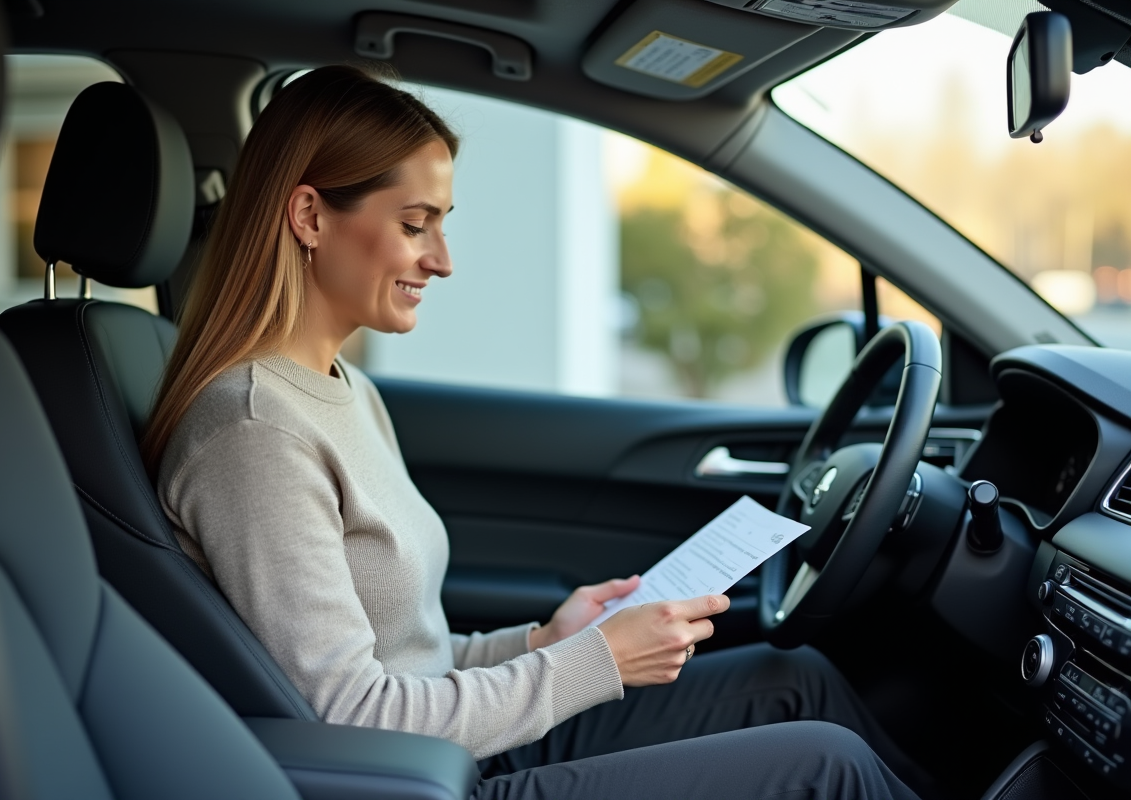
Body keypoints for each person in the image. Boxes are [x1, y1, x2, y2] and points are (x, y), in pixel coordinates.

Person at [142, 65, 927, 800]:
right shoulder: (254, 433)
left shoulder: (344, 391)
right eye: (416, 224)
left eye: (442, 224)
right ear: (310, 215)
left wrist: (544, 639)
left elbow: (413, 659)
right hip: (423, 782)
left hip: (453, 745)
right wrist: (596, 661)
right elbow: (348, 714)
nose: (442, 260)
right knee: (829, 763)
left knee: (798, 681)